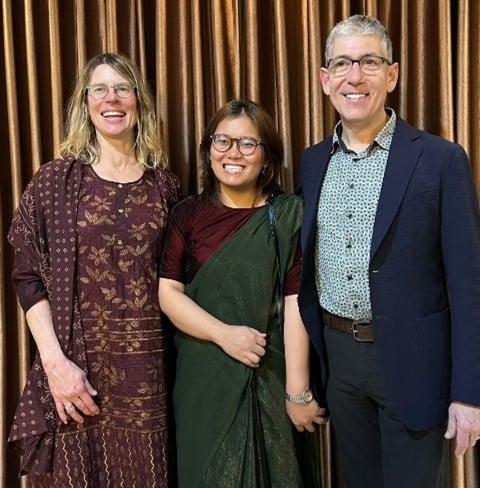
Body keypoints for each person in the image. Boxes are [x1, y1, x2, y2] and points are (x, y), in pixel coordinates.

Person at [297, 14, 480, 488]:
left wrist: (468, 394)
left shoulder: (441, 159)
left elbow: (468, 285)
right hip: (338, 364)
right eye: (341, 63)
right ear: (324, 79)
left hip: (415, 364)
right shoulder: (313, 161)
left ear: (392, 74)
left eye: (369, 62)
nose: (354, 76)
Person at [7, 52, 182, 487]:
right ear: (85, 103)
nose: (112, 99)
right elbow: (27, 279)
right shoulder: (55, 180)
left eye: (123, 88)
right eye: (99, 89)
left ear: (138, 100)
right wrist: (55, 366)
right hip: (75, 373)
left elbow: (179, 282)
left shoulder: (165, 185)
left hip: (148, 377)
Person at [159, 99, 326, 487]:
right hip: (204, 378)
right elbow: (168, 294)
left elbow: (296, 301)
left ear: (266, 158)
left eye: (248, 144)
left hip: (271, 374)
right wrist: (223, 334)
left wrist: (298, 392)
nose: (233, 153)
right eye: (223, 141)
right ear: (208, 150)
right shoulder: (186, 215)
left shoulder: (289, 214)